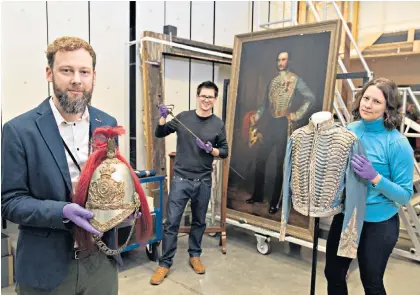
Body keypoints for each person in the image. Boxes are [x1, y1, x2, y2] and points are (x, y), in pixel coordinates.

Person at [1, 36, 120, 294]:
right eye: (67, 70)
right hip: (46, 269)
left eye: (84, 71)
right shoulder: (19, 130)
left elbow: (113, 181)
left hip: (100, 263)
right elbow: (10, 202)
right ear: (49, 73)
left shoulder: (107, 123)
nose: (76, 79)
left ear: (94, 77)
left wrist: (126, 205)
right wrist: (61, 211)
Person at [324, 77, 414, 295]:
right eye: (366, 98)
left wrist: (375, 177)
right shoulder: (349, 130)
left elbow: (404, 196)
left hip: (378, 224)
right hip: (348, 217)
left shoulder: (397, 144)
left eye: (376, 101)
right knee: (334, 274)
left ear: (387, 109)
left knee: (371, 282)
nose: (367, 105)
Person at [150, 81, 229, 285]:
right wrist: (163, 116)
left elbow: (225, 151)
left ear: (215, 99)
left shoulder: (218, 124)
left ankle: (195, 255)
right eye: (203, 96)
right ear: (197, 96)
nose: (206, 100)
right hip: (181, 180)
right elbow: (160, 133)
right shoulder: (183, 117)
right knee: (172, 223)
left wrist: (212, 150)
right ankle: (164, 264)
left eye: (210, 97)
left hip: (203, 181)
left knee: (199, 221)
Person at [244, 51, 315, 214]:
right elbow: (264, 104)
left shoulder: (296, 80)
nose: (280, 62)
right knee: (260, 158)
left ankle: (276, 201)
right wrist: (257, 115)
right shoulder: (273, 81)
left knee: (280, 164)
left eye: (283, 59)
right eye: (278, 59)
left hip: (284, 124)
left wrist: (296, 115)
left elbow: (310, 98)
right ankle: (258, 195)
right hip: (270, 123)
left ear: (289, 61)